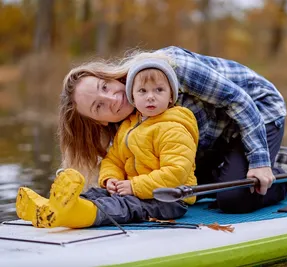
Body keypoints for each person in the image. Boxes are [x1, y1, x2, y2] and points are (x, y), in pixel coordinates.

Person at [21, 46, 287, 218]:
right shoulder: (128, 121)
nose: (112, 99)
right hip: (212, 137)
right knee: (177, 188)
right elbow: (123, 163)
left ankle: (284, 175)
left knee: (232, 199)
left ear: (108, 76)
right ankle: (241, 164)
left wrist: (259, 161)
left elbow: (238, 101)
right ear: (99, 122)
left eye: (105, 87)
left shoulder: (170, 67)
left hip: (258, 111)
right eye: (99, 106)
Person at [16, 59, 199, 228]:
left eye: (159, 90)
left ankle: (79, 213)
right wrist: (110, 179)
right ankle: (50, 206)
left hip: (169, 199)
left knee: (126, 206)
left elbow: (175, 173)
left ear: (171, 96)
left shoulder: (174, 128)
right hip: (135, 188)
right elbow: (114, 159)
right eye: (142, 91)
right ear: (133, 96)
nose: (150, 97)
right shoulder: (129, 126)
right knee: (97, 193)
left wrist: (134, 186)